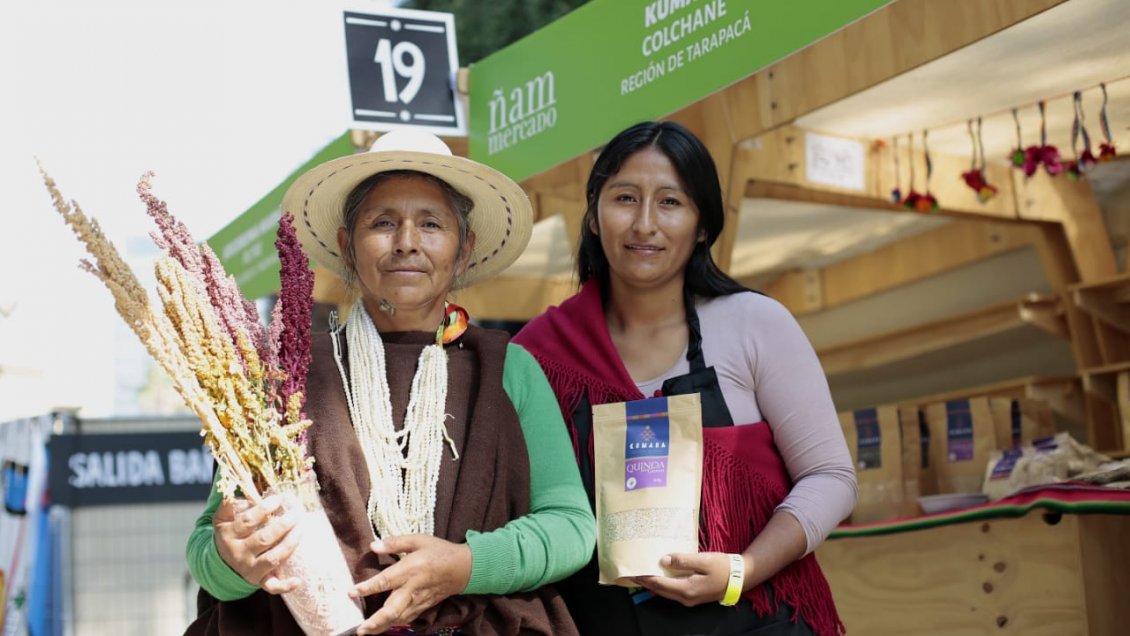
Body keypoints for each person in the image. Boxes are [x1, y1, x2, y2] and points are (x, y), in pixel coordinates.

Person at [184, 129, 595, 636]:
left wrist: (465, 566)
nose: (406, 242)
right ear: (346, 246)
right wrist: (234, 560)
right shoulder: (285, 375)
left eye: (431, 224)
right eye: (382, 223)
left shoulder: (508, 368)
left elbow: (571, 527)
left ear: (464, 249)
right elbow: (207, 545)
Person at [513, 121, 857, 636]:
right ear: (593, 216)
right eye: (625, 198)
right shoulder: (537, 353)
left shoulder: (753, 323)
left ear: (701, 226)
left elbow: (831, 477)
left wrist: (742, 571)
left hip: (758, 620)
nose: (644, 224)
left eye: (670, 202)